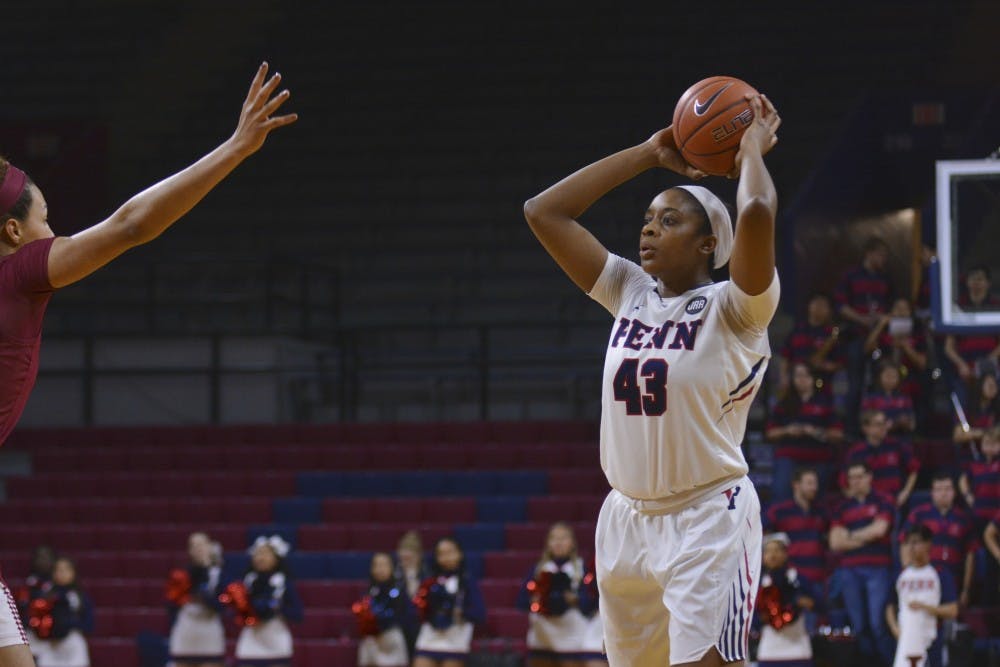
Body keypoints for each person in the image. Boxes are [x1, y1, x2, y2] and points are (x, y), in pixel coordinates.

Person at [0, 63, 295, 667]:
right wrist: (236, 147)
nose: (54, 232)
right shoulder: (19, 272)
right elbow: (132, 224)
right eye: (45, 220)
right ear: (11, 230)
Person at [524, 91, 781, 667]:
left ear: (709, 244)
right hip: (625, 519)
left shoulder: (736, 310)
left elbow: (758, 214)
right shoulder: (630, 293)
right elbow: (544, 212)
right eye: (647, 220)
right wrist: (647, 153)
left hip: (708, 514)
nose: (649, 231)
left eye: (670, 221)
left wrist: (750, 154)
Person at [828, 461, 895, 666]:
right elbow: (835, 542)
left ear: (869, 477)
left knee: (878, 624)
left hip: (878, 568)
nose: (855, 482)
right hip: (850, 570)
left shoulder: (883, 500)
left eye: (860, 477)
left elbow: (880, 530)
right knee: (859, 626)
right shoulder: (842, 507)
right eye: (852, 478)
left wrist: (850, 534)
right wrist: (865, 536)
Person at [516, 522, 600, 666]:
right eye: (554, 538)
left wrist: (575, 599)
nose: (559, 542)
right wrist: (536, 599)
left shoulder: (581, 568)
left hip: (571, 632)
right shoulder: (538, 569)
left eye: (564, 538)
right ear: (548, 543)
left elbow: (591, 605)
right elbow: (521, 602)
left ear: (573, 543)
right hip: (542, 631)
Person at [834, 236, 895, 430]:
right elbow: (841, 306)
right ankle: (852, 429)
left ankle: (878, 428)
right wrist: (862, 319)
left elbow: (892, 309)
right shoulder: (851, 276)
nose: (883, 259)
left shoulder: (885, 279)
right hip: (856, 337)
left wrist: (880, 319)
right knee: (855, 385)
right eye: (880, 255)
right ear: (869, 253)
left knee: (881, 383)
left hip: (880, 339)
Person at [765, 362, 843, 502]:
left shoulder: (825, 403)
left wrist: (815, 431)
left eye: (806, 375)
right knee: (781, 491)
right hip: (789, 455)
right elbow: (770, 433)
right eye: (798, 376)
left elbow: (838, 434)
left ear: (813, 378)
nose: (802, 379)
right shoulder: (784, 403)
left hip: (818, 457)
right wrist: (787, 431)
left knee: (820, 493)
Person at [898, 473, 976, 608]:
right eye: (939, 489)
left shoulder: (963, 518)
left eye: (947, 489)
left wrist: (966, 589)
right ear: (932, 493)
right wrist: (908, 572)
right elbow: (904, 542)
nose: (943, 493)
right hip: (923, 578)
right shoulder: (919, 514)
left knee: (948, 620)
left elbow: (970, 554)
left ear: (954, 492)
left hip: (952, 578)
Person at [885, 525, 958, 667]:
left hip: (932, 639)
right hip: (906, 637)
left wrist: (925, 608)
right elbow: (889, 605)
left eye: (916, 542)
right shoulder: (900, 575)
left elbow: (953, 610)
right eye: (908, 543)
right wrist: (895, 629)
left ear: (928, 544)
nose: (911, 547)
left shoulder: (940, 573)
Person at [228, 535, 303, 667]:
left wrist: (277, 607)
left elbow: (297, 614)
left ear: (276, 558)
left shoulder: (283, 583)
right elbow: (234, 612)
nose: (261, 558)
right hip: (251, 638)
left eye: (266, 554)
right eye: (258, 553)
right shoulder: (246, 582)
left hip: (276, 639)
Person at [411, 537, 485, 667]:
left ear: (459, 554)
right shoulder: (429, 581)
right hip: (431, 635)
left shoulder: (466, 581)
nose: (446, 557)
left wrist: (460, 613)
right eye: (441, 554)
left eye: (450, 552)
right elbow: (418, 608)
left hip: (455, 636)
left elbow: (480, 613)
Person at [753, 533, 821, 667]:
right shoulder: (758, 584)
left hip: (799, 650)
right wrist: (763, 616)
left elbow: (821, 605)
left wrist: (807, 603)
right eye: (768, 551)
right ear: (763, 557)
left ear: (785, 554)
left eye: (777, 550)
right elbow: (752, 620)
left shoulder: (799, 580)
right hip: (770, 651)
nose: (773, 555)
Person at [165, 532, 226, 667]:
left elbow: (222, 604)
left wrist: (205, 592)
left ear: (211, 547)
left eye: (202, 544)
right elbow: (171, 604)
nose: (198, 548)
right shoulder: (181, 574)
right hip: (187, 627)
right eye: (193, 545)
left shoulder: (219, 573)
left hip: (210, 627)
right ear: (189, 551)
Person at [943, 266, 1000, 403]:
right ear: (967, 283)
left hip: (992, 365)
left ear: (988, 283)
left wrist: (988, 361)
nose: (976, 283)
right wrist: (962, 365)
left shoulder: (996, 305)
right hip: (965, 368)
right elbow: (948, 347)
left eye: (980, 279)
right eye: (972, 279)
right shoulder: (958, 307)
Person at [762, 468, 829, 586]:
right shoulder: (779, 511)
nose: (814, 488)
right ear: (796, 485)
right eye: (809, 483)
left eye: (815, 483)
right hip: (790, 579)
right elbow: (761, 535)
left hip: (818, 578)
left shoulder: (822, 512)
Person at [841, 410, 919, 509]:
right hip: (869, 503)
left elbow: (914, 470)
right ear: (866, 428)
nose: (883, 427)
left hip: (895, 500)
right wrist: (856, 499)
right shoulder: (856, 452)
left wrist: (905, 492)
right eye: (878, 424)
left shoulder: (897, 445)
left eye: (884, 423)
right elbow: (844, 482)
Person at [776, 292, 844, 400]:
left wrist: (823, 365)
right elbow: (785, 355)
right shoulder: (798, 330)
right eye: (816, 303)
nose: (819, 307)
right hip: (795, 382)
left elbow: (840, 363)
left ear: (829, 311)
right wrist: (783, 377)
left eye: (823, 305)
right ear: (809, 306)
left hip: (821, 384)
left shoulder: (831, 334)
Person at [30, 557, 94, 667]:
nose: (61, 573)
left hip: (71, 642)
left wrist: (66, 627)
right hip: (48, 644)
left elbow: (89, 625)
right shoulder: (43, 595)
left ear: (73, 573)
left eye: (66, 569)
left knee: (77, 641)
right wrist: (49, 633)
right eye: (58, 570)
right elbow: (33, 619)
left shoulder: (80, 597)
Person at [355, 552, 413, 667]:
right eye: (376, 565)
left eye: (384, 565)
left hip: (392, 638)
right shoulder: (369, 592)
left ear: (392, 568)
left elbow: (406, 617)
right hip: (372, 639)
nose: (380, 569)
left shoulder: (398, 591)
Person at [14, 547, 56, 662]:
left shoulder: (60, 584)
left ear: (53, 560)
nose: (43, 561)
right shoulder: (29, 584)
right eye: (40, 557)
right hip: (33, 634)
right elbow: (22, 609)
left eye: (46, 557)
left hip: (57, 638)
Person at [860, 361, 917, 442]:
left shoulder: (904, 399)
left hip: (901, 440)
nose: (890, 379)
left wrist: (905, 423)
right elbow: (865, 422)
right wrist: (889, 425)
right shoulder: (870, 398)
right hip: (877, 441)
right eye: (887, 375)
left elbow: (912, 425)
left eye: (894, 376)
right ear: (879, 376)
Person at [394, 529, 428, 662]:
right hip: (399, 625)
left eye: (411, 551)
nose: (407, 554)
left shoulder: (427, 575)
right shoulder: (394, 575)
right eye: (403, 550)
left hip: (421, 625)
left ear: (419, 554)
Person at [952, 372, 1000, 456]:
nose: (992, 388)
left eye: (994, 385)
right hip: (970, 455)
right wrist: (984, 433)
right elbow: (958, 435)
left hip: (993, 456)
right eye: (989, 385)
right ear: (980, 386)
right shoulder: (968, 407)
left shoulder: (995, 409)